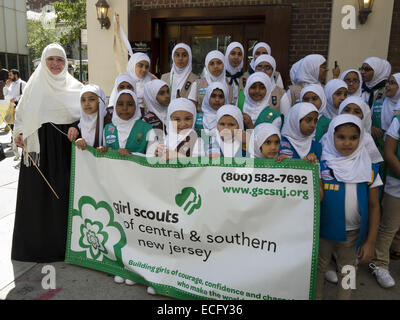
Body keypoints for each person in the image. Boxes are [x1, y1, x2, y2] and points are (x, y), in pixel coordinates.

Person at [12, 43, 83, 262]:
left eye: (60, 60)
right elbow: (21, 114)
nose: (55, 64)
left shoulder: (76, 88)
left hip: (64, 149)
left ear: (66, 63)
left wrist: (78, 126)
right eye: (51, 59)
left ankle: (65, 248)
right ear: (43, 61)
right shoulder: (34, 86)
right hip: (39, 151)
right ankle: (36, 247)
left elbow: (89, 114)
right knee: (38, 197)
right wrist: (20, 133)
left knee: (63, 196)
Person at [317, 114, 381, 300]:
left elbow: (375, 206)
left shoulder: (369, 168)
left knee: (348, 270)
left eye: (353, 138)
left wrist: (370, 242)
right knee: (319, 269)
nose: (347, 143)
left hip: (352, 234)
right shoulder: (321, 165)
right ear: (331, 137)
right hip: (323, 231)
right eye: (341, 137)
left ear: (361, 139)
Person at [369, 102, 400, 288]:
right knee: (389, 225)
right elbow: (389, 153)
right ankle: (380, 264)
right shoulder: (398, 121)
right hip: (397, 183)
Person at [100, 90, 156, 157]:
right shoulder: (107, 129)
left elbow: (153, 157)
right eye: (120, 104)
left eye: (130, 104)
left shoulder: (147, 129)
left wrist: (132, 155)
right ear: (115, 106)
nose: (125, 108)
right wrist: (104, 150)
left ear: (136, 107)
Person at [371, 73, 400, 151]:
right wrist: (370, 128)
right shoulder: (378, 103)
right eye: (387, 82)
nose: (387, 85)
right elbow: (366, 122)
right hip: (378, 150)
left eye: (392, 83)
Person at [75, 84, 107, 150]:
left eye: (91, 99)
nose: (86, 103)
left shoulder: (109, 120)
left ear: (100, 101)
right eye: (83, 100)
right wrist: (79, 140)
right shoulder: (78, 125)